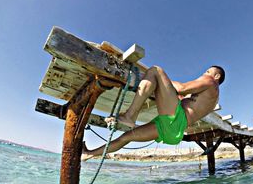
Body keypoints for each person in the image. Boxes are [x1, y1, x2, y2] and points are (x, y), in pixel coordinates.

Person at [81, 65, 225, 161]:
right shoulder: (213, 97)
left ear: (216, 76)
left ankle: (130, 116)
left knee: (155, 70)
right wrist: (166, 87)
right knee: (126, 137)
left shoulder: (210, 82)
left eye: (207, 71)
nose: (204, 73)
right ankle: (88, 154)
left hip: (176, 118)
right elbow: (182, 98)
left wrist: (166, 81)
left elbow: (181, 88)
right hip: (176, 129)